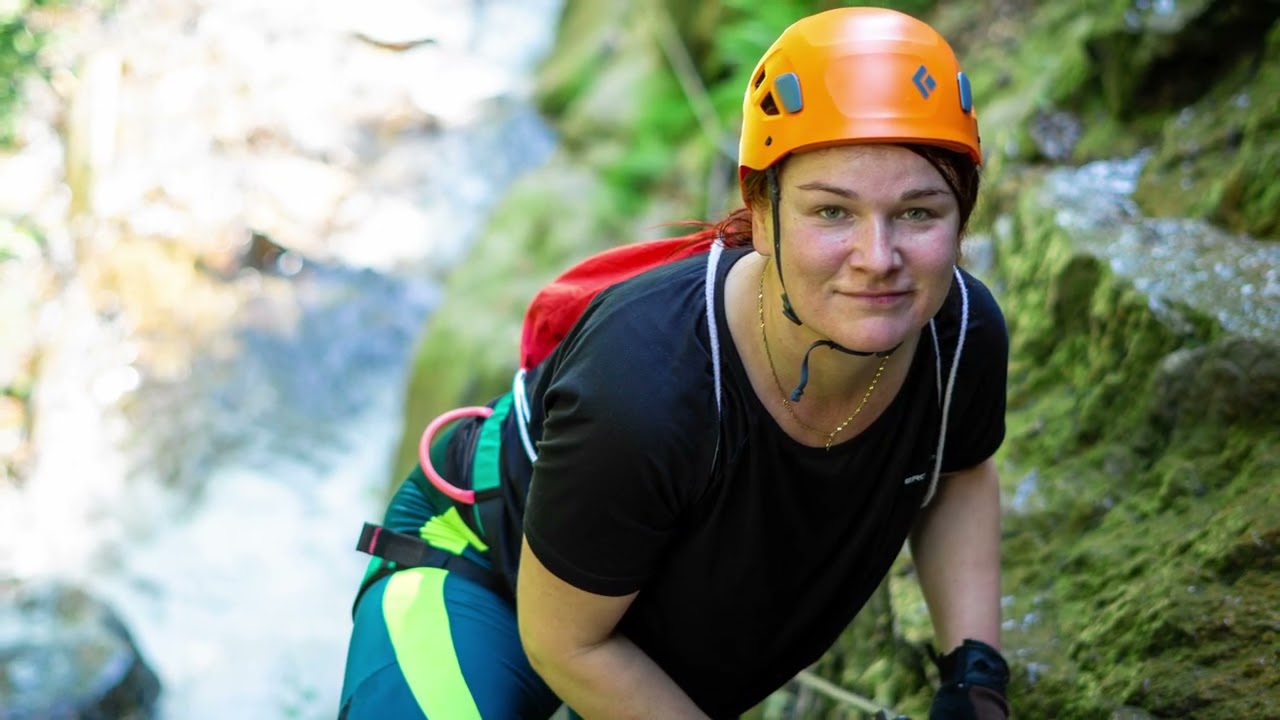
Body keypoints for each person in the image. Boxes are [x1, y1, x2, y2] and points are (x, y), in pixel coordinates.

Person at [339, 6, 1011, 719]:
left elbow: (957, 468)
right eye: (832, 213)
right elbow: (568, 643)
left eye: (918, 214)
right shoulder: (650, 385)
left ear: (960, 215)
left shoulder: (959, 336)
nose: (878, 259)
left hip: (640, 639)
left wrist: (974, 677)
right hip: (483, 588)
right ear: (761, 205)